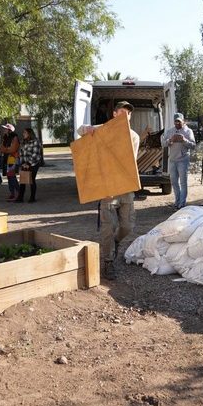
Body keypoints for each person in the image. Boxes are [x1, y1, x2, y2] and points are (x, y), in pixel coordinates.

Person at [77, 101, 140, 280]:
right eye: (122, 112)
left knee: (127, 226)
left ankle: (117, 241)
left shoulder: (134, 136)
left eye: (128, 113)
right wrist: (87, 129)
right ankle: (108, 261)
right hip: (107, 187)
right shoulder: (103, 129)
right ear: (114, 114)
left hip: (126, 186)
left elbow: (130, 163)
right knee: (107, 227)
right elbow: (80, 130)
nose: (125, 116)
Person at [161, 112, 196, 209]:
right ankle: (177, 201)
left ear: (183, 121)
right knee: (174, 182)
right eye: (175, 122)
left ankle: (182, 204)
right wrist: (170, 140)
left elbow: (193, 145)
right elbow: (163, 143)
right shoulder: (170, 131)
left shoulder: (188, 131)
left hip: (183, 161)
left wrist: (184, 140)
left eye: (179, 122)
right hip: (172, 160)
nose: (177, 123)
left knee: (183, 182)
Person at [17, 127, 43, 202]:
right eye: (23, 133)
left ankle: (32, 197)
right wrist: (22, 163)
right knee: (22, 180)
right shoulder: (22, 142)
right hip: (24, 163)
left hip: (34, 163)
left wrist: (28, 163)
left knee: (31, 179)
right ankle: (20, 198)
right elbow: (21, 153)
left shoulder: (36, 141)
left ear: (29, 134)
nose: (23, 134)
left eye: (25, 133)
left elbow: (35, 154)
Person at [0, 122, 21, 201]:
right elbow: (1, 148)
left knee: (12, 176)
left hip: (13, 158)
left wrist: (6, 150)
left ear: (9, 130)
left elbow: (12, 149)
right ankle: (12, 193)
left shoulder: (14, 138)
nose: (4, 130)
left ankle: (18, 193)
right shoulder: (5, 138)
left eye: (5, 128)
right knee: (9, 177)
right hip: (7, 158)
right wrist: (6, 149)